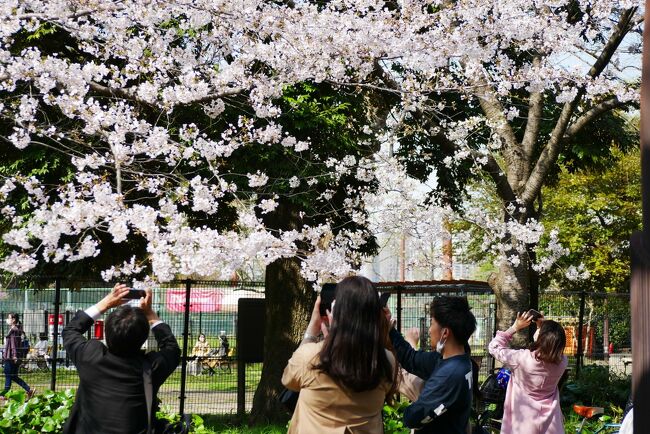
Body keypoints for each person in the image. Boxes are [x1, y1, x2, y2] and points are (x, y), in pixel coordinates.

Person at [282, 275, 397, 433]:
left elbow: (288, 380)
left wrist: (312, 331)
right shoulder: (386, 360)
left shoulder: (310, 356)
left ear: (336, 311)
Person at [62, 283, 180, 434]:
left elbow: (71, 330)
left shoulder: (90, 356)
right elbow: (172, 348)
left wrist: (106, 303)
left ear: (107, 332)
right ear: (143, 337)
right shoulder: (150, 368)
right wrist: (150, 314)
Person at [386, 296, 477, 434]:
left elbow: (413, 418)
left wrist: (420, 398)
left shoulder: (450, 374)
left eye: (432, 324)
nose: (429, 330)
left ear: (445, 333)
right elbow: (411, 358)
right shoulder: (457, 360)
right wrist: (391, 330)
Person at [488, 312, 567, 434]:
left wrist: (515, 327)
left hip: (522, 424)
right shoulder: (562, 362)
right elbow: (548, 347)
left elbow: (494, 347)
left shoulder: (521, 359)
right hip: (551, 424)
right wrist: (542, 328)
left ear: (541, 338)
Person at [1, 312, 34, 399]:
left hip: (10, 356)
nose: (7, 320)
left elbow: (13, 344)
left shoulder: (13, 331)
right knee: (14, 376)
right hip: (15, 356)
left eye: (9, 318)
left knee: (8, 374)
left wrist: (14, 356)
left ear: (14, 319)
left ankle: (4, 393)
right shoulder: (18, 330)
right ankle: (29, 390)